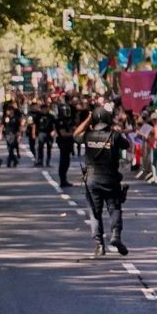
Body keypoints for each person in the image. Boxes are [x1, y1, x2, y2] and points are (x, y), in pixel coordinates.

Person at [75, 106, 130, 256]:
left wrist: (88, 119)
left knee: (95, 212)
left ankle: (99, 244)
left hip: (92, 180)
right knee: (115, 209)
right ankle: (116, 236)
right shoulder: (115, 136)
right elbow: (127, 145)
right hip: (111, 179)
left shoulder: (87, 136)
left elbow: (75, 135)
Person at [54, 98, 77, 187]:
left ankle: (64, 179)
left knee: (67, 161)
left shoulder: (69, 120)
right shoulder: (60, 121)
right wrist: (74, 133)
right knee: (63, 161)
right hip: (63, 143)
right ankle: (62, 180)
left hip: (69, 142)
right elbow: (63, 133)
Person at [32, 101, 55, 167]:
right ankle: (40, 161)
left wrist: (53, 131)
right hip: (41, 133)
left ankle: (48, 162)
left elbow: (54, 125)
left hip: (49, 133)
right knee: (40, 148)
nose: (45, 110)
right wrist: (33, 133)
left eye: (46, 108)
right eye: (43, 109)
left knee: (49, 148)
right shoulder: (38, 116)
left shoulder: (51, 116)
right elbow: (35, 125)